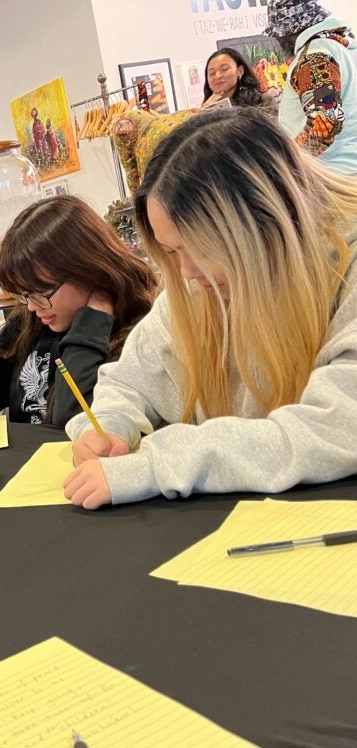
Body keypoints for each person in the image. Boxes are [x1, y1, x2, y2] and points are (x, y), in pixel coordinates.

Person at [63, 109, 357, 510]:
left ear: (260, 223)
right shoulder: (199, 286)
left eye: (200, 247)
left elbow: (337, 428)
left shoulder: (347, 269)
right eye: (172, 252)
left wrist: (159, 463)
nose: (186, 272)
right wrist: (110, 426)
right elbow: (130, 383)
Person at [0, 196, 157, 446]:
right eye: (23, 295)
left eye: (41, 293)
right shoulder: (34, 319)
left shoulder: (140, 332)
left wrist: (89, 326)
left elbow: (76, 425)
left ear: (89, 271)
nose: (32, 306)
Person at [269, 0, 357, 173]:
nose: (278, 40)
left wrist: (288, 164)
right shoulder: (341, 47)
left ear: (290, 30)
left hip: (334, 173)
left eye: (278, 34)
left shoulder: (315, 57)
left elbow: (325, 123)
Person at [202, 47, 278, 109]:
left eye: (224, 69)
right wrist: (203, 114)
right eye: (212, 73)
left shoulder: (261, 102)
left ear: (240, 71)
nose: (218, 76)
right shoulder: (205, 109)